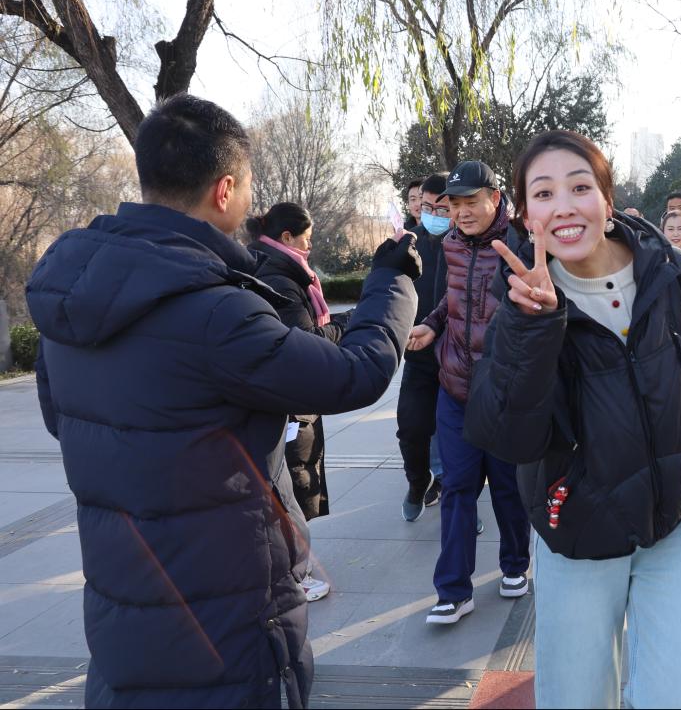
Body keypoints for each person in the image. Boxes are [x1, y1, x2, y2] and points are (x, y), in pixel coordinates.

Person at [25, 95, 420, 709]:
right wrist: (392, 282)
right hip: (226, 624)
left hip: (122, 616)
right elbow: (355, 374)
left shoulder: (70, 299)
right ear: (225, 189)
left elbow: (65, 422)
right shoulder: (216, 312)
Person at [465, 131, 681, 708]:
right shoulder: (519, 305)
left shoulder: (672, 274)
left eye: (580, 187)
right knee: (576, 697)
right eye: (543, 194)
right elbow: (507, 436)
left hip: (675, 522)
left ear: (607, 200)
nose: (564, 206)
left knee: (680, 695)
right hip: (577, 530)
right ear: (525, 216)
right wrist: (533, 328)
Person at [406, 160, 531, 625]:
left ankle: (515, 564)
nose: (461, 212)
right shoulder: (452, 244)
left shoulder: (519, 245)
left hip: (502, 394)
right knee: (457, 487)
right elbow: (452, 298)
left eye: (471, 202)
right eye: (454, 204)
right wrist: (432, 324)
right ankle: (453, 590)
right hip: (455, 388)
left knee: (507, 488)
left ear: (494, 198)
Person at [247, 202, 351, 603]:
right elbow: (306, 343)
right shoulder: (280, 278)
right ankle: (295, 575)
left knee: (285, 488)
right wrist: (348, 323)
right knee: (282, 491)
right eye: (306, 237)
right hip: (280, 399)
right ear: (286, 236)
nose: (310, 245)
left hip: (273, 397)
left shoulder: (265, 267)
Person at [396, 172, 449, 521]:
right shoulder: (409, 245)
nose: (431, 214)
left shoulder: (472, 246)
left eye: (441, 208)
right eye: (425, 206)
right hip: (419, 355)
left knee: (458, 438)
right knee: (412, 428)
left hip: (459, 358)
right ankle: (418, 482)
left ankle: (459, 499)